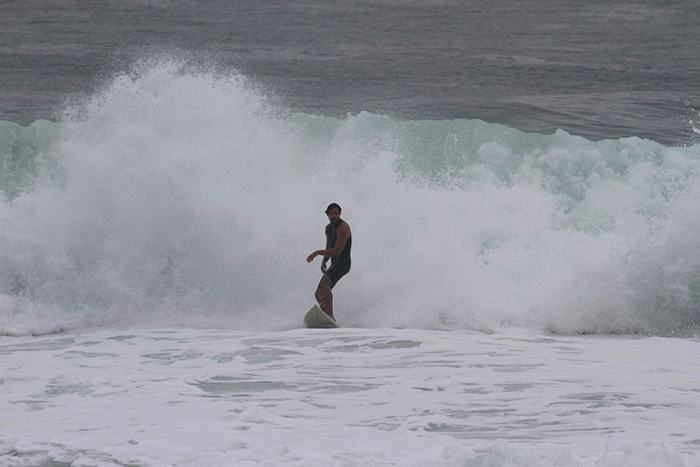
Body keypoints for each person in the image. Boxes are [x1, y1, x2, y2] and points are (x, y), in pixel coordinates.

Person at [306, 203, 352, 320]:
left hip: (343, 264)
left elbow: (337, 250)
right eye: (331, 213)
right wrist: (324, 261)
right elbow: (329, 246)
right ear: (327, 214)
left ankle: (330, 316)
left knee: (325, 284)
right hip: (334, 263)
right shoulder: (328, 228)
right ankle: (325, 315)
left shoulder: (343, 228)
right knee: (318, 294)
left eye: (336, 213)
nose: (333, 216)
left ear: (340, 214)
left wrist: (317, 252)